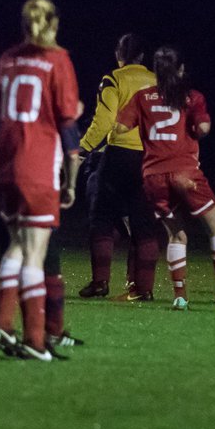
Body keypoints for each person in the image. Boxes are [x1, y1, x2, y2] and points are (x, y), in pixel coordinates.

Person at [0, 0, 83, 361]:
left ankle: (1, 326)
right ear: (53, 24)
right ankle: (36, 342)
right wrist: (71, 179)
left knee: (15, 247)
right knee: (35, 255)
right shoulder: (58, 61)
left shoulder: (6, 59)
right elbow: (68, 121)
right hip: (35, 166)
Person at [114, 45, 215, 311]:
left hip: (153, 177)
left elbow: (120, 127)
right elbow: (203, 128)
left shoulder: (142, 97)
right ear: (182, 70)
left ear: (156, 72)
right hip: (186, 175)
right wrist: (196, 129)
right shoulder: (192, 97)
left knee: (176, 235)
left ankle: (180, 296)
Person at [0, 109, 83, 351]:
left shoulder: (5, 98)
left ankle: (1, 326)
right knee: (42, 255)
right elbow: (73, 154)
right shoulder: (52, 104)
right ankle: (47, 333)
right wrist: (70, 185)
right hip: (36, 182)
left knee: (9, 249)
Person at [77, 32, 164, 301]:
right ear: (142, 57)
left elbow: (103, 121)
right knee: (145, 223)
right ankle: (144, 288)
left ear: (119, 55)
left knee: (102, 217)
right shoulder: (159, 82)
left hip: (119, 155)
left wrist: (84, 148)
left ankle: (100, 282)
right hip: (151, 157)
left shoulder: (114, 79)